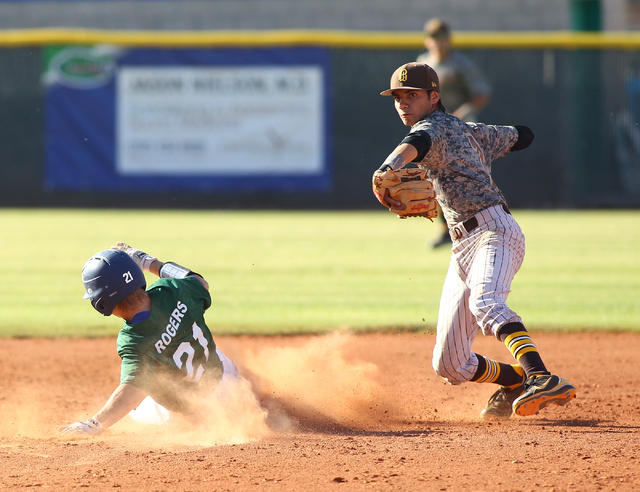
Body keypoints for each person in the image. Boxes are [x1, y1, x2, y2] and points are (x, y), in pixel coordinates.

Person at [376, 62, 576, 419]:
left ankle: (541, 377)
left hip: (494, 231)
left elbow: (416, 143)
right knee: (450, 363)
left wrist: (386, 169)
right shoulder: (468, 131)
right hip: (463, 246)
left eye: (413, 95)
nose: (404, 103)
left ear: (434, 97)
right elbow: (524, 134)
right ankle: (516, 380)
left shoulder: (432, 128)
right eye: (398, 97)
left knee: (486, 301)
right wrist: (478, 141)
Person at [59, 243, 242, 435]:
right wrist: (148, 261)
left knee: (137, 414)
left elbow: (132, 390)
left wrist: (93, 424)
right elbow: (200, 282)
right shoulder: (171, 289)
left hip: (204, 413)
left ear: (101, 302)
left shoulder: (133, 340)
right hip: (231, 380)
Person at [417, 18, 493, 249]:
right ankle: (446, 230)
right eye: (434, 38)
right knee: (435, 180)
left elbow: (481, 93)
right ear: (427, 41)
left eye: (442, 38)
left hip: (462, 129)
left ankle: (481, 227)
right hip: (435, 130)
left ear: (448, 40)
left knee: (467, 180)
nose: (439, 43)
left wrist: (457, 116)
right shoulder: (423, 63)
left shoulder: (460, 64)